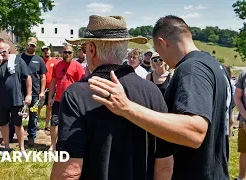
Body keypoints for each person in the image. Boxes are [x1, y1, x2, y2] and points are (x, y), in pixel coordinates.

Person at [88, 15, 232, 180]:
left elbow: (195, 132)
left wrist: (127, 107)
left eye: (159, 50)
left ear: (163, 42)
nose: (160, 58)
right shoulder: (214, 66)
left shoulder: (191, 69)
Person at [51, 15, 173, 180]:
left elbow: (69, 171)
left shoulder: (76, 94)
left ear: (92, 49)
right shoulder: (153, 92)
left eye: (85, 48)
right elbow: (164, 165)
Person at [0, 42, 32, 154]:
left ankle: (22, 149)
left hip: (16, 99)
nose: (2, 54)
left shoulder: (18, 61)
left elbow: (27, 77)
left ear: (9, 51)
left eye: (4, 51)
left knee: (18, 124)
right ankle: (6, 147)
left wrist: (28, 94)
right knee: (3, 124)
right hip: (1, 100)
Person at [47, 44, 84, 152]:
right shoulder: (57, 65)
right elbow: (53, 82)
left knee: (70, 123)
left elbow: (81, 84)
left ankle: (68, 145)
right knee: (54, 122)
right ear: (62, 53)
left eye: (69, 52)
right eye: (65, 52)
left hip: (72, 101)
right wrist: (50, 97)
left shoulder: (77, 66)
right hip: (58, 99)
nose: (67, 54)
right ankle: (53, 144)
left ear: (73, 54)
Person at [16, 37, 47, 146]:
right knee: (17, 114)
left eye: (33, 45)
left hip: (34, 93)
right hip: (20, 92)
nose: (31, 47)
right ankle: (12, 135)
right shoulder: (19, 58)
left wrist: (42, 92)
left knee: (33, 115)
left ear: (36, 47)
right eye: (29, 45)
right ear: (26, 45)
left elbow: (43, 77)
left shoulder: (39, 60)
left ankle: (31, 136)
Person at [38, 46, 59, 131]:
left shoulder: (56, 61)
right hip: (42, 89)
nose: (46, 52)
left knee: (49, 107)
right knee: (38, 107)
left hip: (52, 89)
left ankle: (47, 125)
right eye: (44, 51)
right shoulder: (40, 61)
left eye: (47, 50)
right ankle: (36, 123)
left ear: (50, 51)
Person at [234, 69, 246, 180]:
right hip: (245, 121)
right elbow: (237, 98)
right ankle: (241, 178)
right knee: (244, 151)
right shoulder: (244, 74)